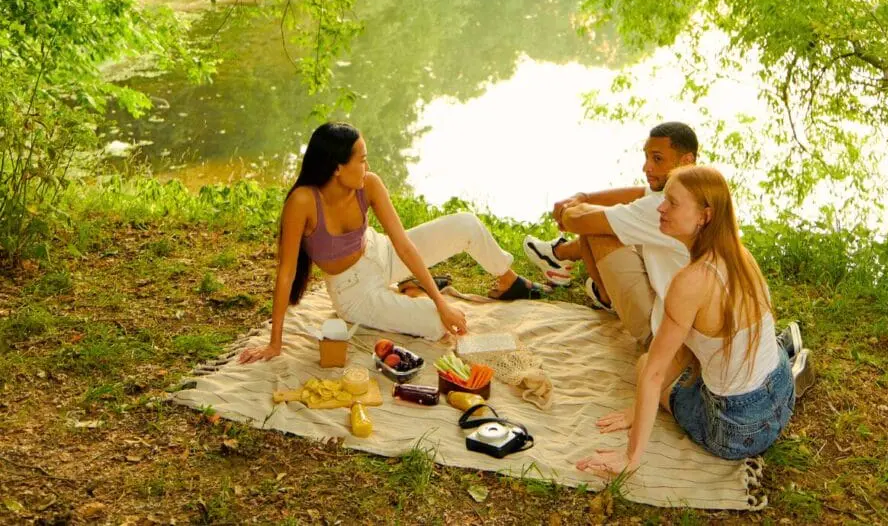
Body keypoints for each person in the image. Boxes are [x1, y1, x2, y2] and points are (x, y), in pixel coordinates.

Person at [238, 122, 549, 363]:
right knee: (438, 325)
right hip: (355, 292)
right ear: (337, 167)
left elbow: (403, 244)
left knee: (465, 224)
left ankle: (507, 281)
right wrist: (274, 342)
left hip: (381, 252)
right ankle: (413, 290)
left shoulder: (368, 184)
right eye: (361, 160)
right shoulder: (303, 202)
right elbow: (286, 274)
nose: (367, 167)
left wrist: (441, 302)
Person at [576, 166, 810, 476]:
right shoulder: (741, 256)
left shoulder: (691, 282)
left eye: (672, 202)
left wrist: (630, 456)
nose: (660, 207)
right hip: (779, 389)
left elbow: (655, 373)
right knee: (683, 358)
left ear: (704, 216)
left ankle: (777, 382)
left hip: (737, 431)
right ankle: (791, 370)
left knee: (645, 364)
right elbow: (689, 347)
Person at [523, 122, 698, 344]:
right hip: (683, 317)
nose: (646, 167)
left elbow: (582, 221)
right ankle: (563, 258)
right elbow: (637, 193)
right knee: (605, 220)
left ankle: (603, 294)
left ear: (686, 160)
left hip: (662, 333)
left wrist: (568, 211)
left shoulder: (663, 206)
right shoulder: (699, 190)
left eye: (657, 158)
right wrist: (583, 197)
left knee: (597, 227)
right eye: (646, 157)